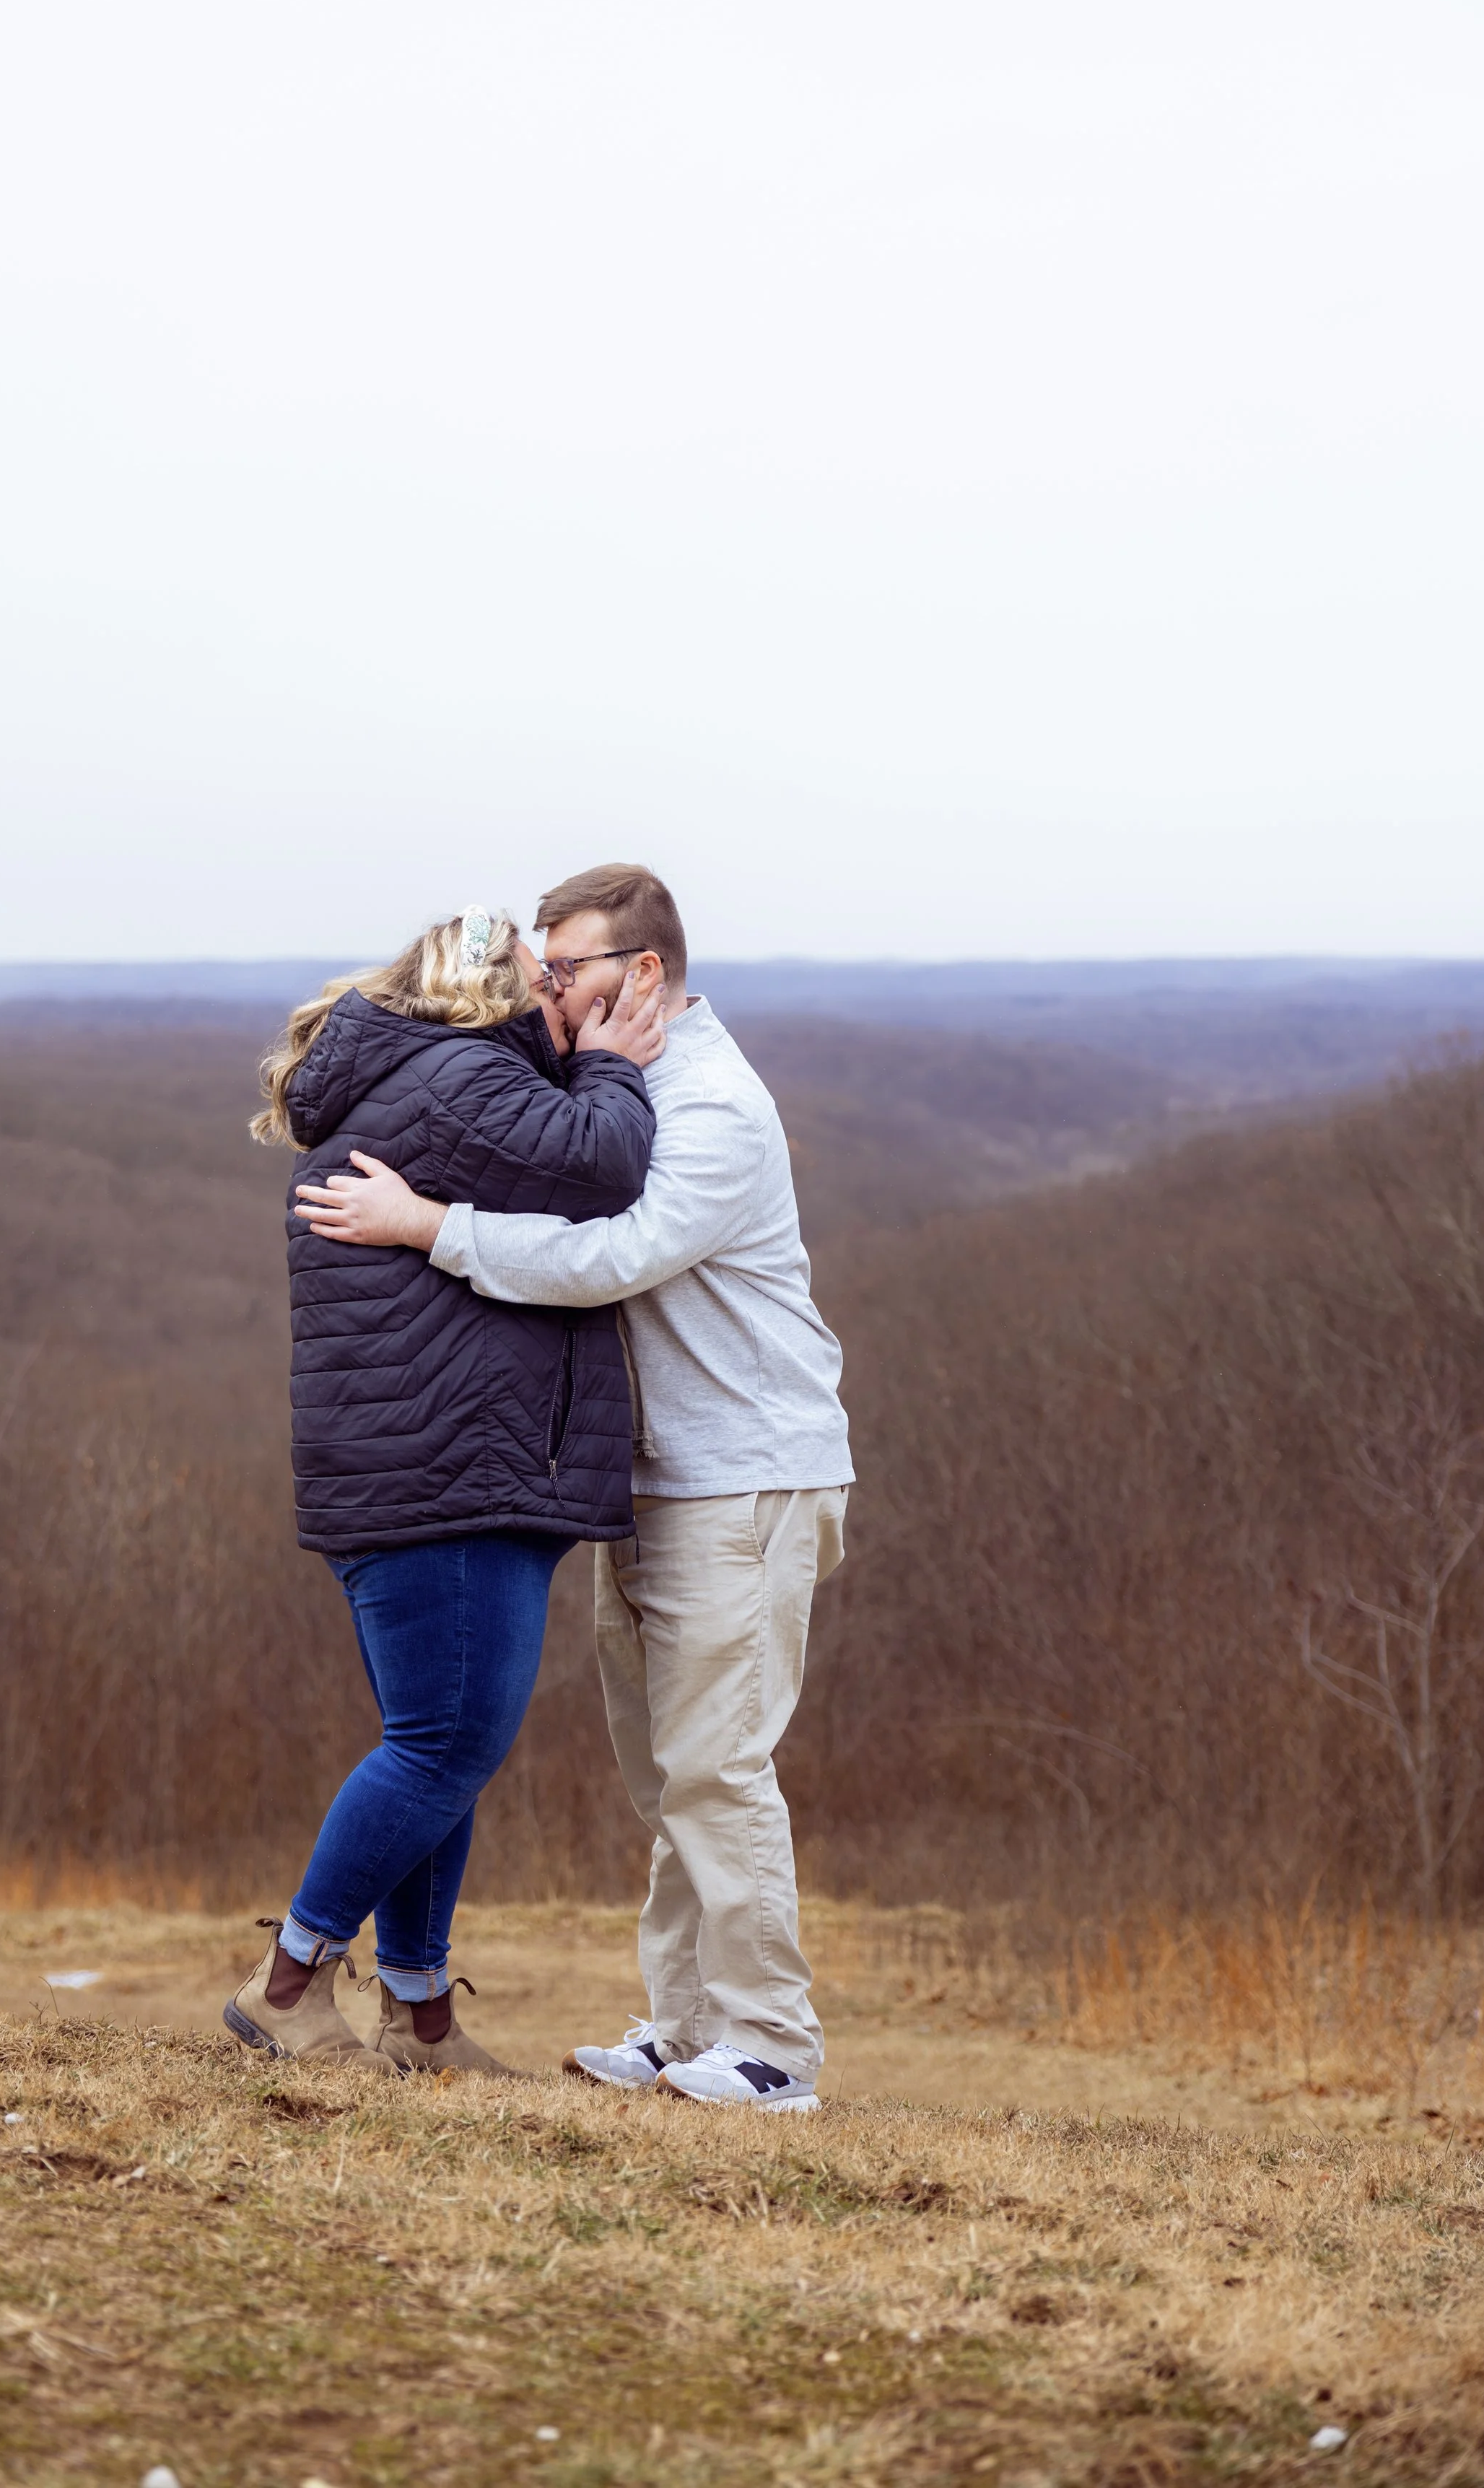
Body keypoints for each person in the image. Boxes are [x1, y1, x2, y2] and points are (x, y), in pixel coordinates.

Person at [297, 865, 853, 2111]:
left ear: (642, 973)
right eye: (540, 967)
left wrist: (425, 1225)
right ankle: (684, 2022)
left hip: (746, 1475)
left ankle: (772, 2044)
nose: (548, 988)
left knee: (720, 1765)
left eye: (570, 969)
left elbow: (618, 1257)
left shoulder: (711, 1104)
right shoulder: (620, 1082)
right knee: (666, 1775)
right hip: (652, 1482)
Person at [224, 904, 663, 2076]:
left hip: (423, 1475)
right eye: (543, 966)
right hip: (448, 1480)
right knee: (443, 1743)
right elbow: (604, 1166)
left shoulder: (425, 1079)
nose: (562, 984)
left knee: (438, 1746)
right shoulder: (462, 1079)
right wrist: (616, 1065)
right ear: (488, 990)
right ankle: (289, 1983)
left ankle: (419, 2017)